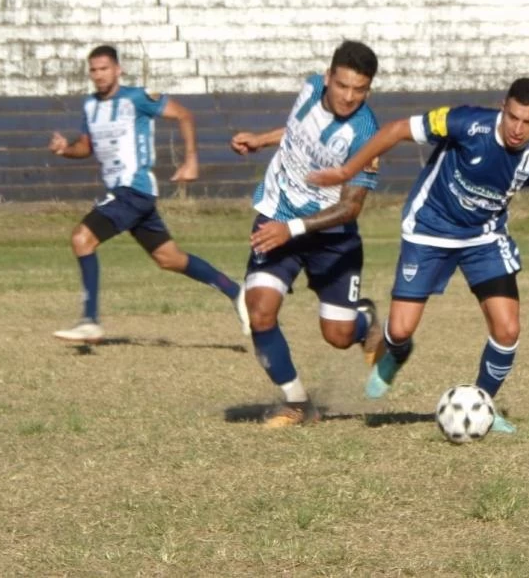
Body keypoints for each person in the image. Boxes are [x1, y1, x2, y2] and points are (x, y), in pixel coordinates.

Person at [308, 77, 529, 435]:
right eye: (512, 117)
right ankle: (396, 353)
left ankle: (484, 408)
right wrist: (346, 171)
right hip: (429, 228)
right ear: (502, 107)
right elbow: (398, 129)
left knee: (508, 329)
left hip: (483, 236)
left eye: (528, 123)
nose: (517, 129)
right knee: (400, 330)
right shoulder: (466, 123)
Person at [48, 45, 247, 345]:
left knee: (81, 238)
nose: (99, 75)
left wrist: (191, 159)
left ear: (118, 70)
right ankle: (237, 292)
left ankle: (90, 320)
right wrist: (66, 149)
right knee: (169, 259)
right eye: (93, 69)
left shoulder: (137, 98)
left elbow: (184, 115)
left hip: (134, 190)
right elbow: (86, 147)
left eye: (104, 68)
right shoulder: (90, 106)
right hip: (126, 193)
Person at [230, 40, 383, 428]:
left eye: (360, 89)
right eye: (343, 85)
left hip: (331, 236)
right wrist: (262, 140)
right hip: (276, 214)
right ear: (328, 77)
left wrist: (292, 229)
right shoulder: (310, 87)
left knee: (337, 334)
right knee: (259, 310)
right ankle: (297, 403)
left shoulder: (366, 134)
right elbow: (298, 131)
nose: (349, 97)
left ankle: (364, 322)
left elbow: (351, 207)